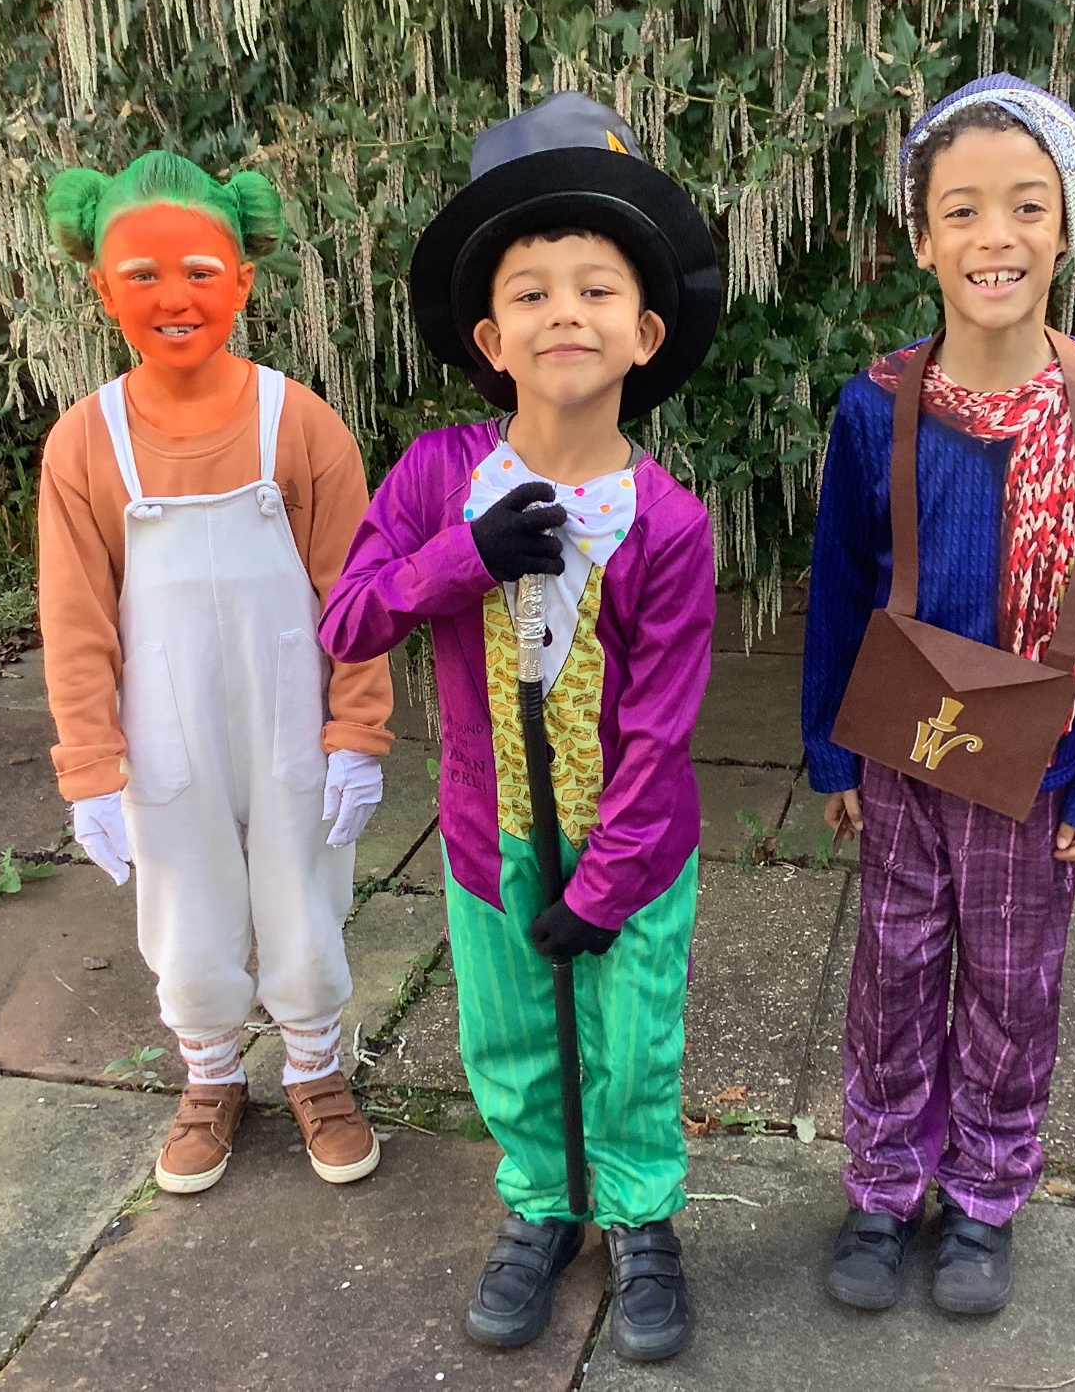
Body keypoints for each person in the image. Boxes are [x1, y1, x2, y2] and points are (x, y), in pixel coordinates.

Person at [320, 92, 720, 1362]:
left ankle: (642, 1217)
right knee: (506, 1033)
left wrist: (606, 887)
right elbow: (346, 622)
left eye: (593, 289)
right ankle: (541, 1208)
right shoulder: (439, 479)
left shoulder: (669, 521)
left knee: (630, 1039)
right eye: (532, 293)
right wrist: (461, 559)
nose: (565, 314)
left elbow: (658, 728)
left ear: (642, 332)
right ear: (491, 336)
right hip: (487, 835)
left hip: (634, 856)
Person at [801, 75, 1075, 1314]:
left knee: (1013, 980)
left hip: (1037, 753)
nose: (993, 236)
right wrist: (832, 753)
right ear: (922, 239)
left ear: (1064, 229)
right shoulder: (875, 402)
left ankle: (983, 1193)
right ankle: (881, 1182)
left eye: (1024, 207)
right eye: (961, 211)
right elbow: (840, 584)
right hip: (905, 743)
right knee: (893, 966)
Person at [38, 151, 392, 1196]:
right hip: (163, 725)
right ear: (102, 290)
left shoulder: (301, 424)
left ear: (242, 279)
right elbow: (73, 618)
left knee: (301, 894)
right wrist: (89, 765)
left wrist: (357, 730)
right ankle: (209, 1075)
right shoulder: (85, 445)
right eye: (139, 276)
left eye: (198, 269)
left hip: (289, 715)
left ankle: (318, 1072)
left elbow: (356, 592)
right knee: (185, 905)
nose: (173, 297)